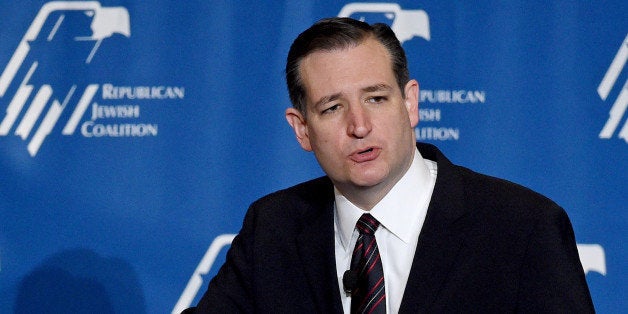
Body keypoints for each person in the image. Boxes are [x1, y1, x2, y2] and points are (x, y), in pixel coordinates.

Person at [186, 17, 594, 313]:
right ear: (302, 129)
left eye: (376, 98)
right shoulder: (272, 228)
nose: (359, 126)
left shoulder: (522, 226)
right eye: (332, 108)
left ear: (410, 103)